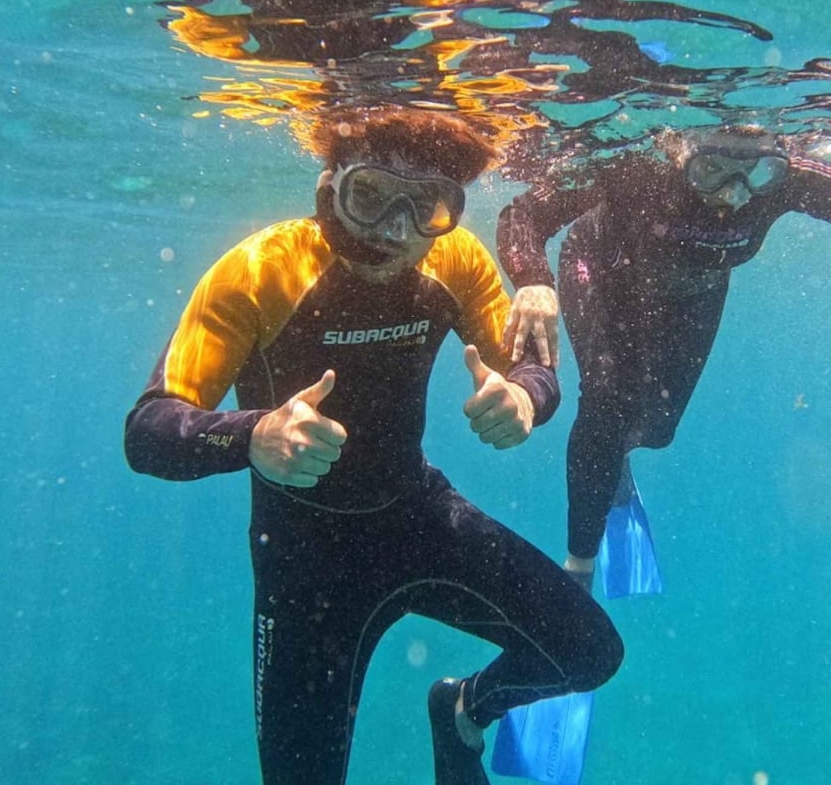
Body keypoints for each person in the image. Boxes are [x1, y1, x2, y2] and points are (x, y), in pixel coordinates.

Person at [124, 109, 623, 785]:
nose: (394, 229)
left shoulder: (455, 258)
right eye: (369, 196)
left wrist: (526, 398)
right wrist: (254, 434)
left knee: (588, 651)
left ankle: (463, 710)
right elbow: (149, 428)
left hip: (416, 518)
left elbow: (530, 367)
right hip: (303, 565)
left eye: (427, 207)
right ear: (330, 187)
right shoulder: (259, 270)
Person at [496, 123, 831, 591]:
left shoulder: (794, 179)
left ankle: (612, 464)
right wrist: (533, 282)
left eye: (758, 175)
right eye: (712, 170)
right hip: (602, 272)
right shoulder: (635, 165)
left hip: (695, 291)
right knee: (610, 400)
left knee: (656, 429)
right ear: (675, 150)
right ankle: (578, 568)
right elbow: (525, 212)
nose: (734, 194)